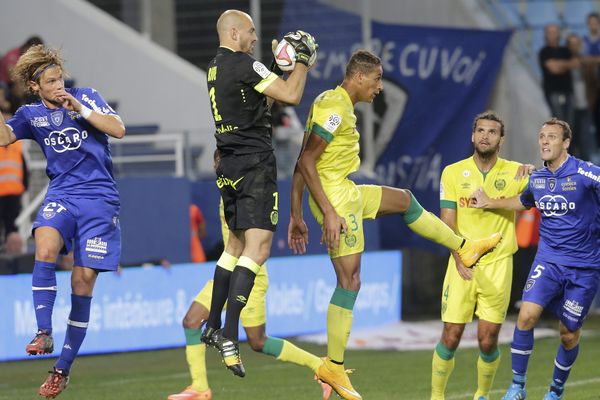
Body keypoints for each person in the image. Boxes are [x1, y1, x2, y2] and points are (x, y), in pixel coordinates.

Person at [288, 50, 502, 400]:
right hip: (336, 199)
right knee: (350, 280)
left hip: (345, 190)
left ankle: (464, 247)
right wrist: (326, 211)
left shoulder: (336, 104)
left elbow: (303, 160)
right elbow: (307, 160)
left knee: (403, 199)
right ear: (359, 77)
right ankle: (334, 367)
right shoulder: (333, 107)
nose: (379, 87)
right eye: (376, 80)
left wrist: (297, 214)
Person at [0, 44, 125, 398]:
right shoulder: (30, 114)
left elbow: (117, 130)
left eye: (61, 79)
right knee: (45, 244)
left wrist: (81, 109)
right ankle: (43, 331)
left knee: (82, 282)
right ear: (36, 86)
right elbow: (3, 137)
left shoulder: (86, 97)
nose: (60, 85)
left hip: (99, 199)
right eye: (51, 81)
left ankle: (62, 369)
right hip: (63, 195)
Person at [200, 9, 318, 378]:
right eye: (250, 33)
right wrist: (301, 60)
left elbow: (260, 102)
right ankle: (230, 334)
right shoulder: (244, 65)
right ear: (234, 33)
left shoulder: (215, 68)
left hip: (229, 166)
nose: (254, 38)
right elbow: (292, 95)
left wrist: (274, 66)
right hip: (254, 167)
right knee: (259, 249)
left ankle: (213, 326)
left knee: (234, 248)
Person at [169, 152, 332, 400]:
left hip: (249, 277)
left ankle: (320, 367)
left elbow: (251, 244)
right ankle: (200, 388)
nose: (218, 167)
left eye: (221, 161)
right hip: (227, 273)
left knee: (258, 341)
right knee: (191, 322)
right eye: (216, 162)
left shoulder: (247, 193)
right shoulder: (226, 190)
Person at [471, 118, 600, 400]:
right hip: (549, 262)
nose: (544, 141)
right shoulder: (538, 178)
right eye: (541, 136)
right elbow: (524, 201)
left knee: (568, 333)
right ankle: (518, 386)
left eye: (552, 137)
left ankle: (556, 390)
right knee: (526, 317)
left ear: (566, 143)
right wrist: (490, 201)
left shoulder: (587, 175)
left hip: (584, 268)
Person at [430, 111, 530, 400]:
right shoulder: (452, 172)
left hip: (498, 266)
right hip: (462, 264)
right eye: (481, 131)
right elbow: (446, 220)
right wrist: (459, 256)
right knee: (451, 335)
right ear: (473, 136)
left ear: (501, 140)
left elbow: (535, 196)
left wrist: (534, 170)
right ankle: (436, 397)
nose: (486, 135)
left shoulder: (515, 172)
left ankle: (482, 395)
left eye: (492, 132)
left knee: (488, 340)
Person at [538, 24, 578, 126]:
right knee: (559, 122)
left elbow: (575, 63)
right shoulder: (544, 52)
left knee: (570, 123)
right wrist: (566, 65)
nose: (552, 35)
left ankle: (568, 142)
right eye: (550, 32)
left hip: (568, 90)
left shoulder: (565, 50)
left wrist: (558, 64)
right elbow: (553, 69)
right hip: (552, 91)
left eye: (554, 32)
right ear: (546, 35)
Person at [0, 139, 27, 243]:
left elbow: (23, 167)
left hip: (14, 193)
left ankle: (10, 252)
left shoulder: (17, 145)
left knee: (12, 225)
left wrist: (25, 185)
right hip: (1, 194)